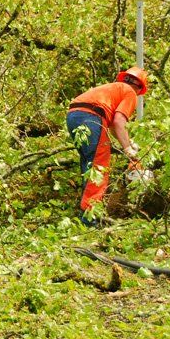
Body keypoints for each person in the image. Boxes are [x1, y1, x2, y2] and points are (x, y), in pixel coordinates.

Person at [66, 67, 148, 226]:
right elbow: (119, 122)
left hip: (74, 116)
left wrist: (128, 142)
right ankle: (90, 219)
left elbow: (112, 126)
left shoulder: (113, 88)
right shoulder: (130, 92)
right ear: (139, 88)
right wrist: (128, 150)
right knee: (99, 167)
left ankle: (85, 211)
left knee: (89, 164)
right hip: (91, 117)